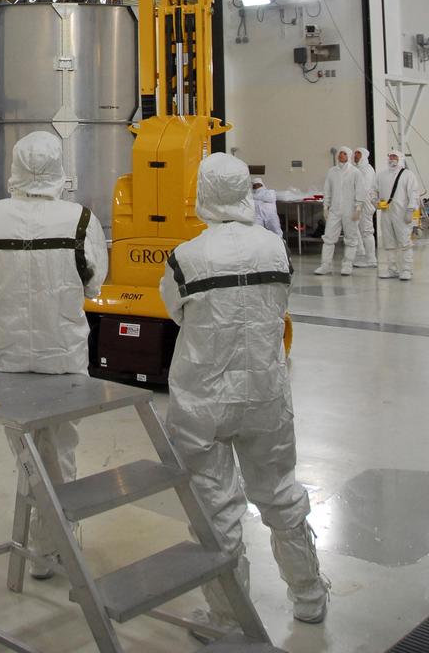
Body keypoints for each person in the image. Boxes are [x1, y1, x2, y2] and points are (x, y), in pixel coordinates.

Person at [161, 153, 329, 636]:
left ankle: (227, 617)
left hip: (203, 398)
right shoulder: (276, 250)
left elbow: (175, 311)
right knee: (280, 492)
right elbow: (281, 304)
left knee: (216, 507)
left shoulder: (185, 257)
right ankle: (310, 596)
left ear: (203, 192)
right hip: (265, 393)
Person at [0, 131, 108, 578]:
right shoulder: (81, 220)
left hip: (7, 356)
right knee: (61, 447)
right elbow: (93, 284)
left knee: (27, 452)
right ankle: (56, 542)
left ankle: (46, 545)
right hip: (63, 355)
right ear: (58, 166)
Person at [315, 145, 365, 276]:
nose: (340, 156)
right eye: (339, 154)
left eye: (343, 154)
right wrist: (326, 207)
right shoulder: (332, 171)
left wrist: (358, 208)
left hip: (350, 210)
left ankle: (347, 264)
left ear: (348, 156)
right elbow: (327, 190)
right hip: (335, 210)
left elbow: (360, 191)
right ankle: (325, 265)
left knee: (351, 238)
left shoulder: (355, 172)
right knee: (329, 238)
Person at [377, 150, 421, 280]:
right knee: (389, 242)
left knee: (404, 241)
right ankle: (392, 269)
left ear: (400, 158)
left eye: (394, 156)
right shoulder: (381, 175)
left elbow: (414, 193)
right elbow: (374, 190)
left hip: (401, 213)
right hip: (386, 213)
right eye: (390, 156)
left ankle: (407, 269)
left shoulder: (407, 175)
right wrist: (376, 201)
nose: (392, 159)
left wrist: (411, 209)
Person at [351, 147, 377, 268]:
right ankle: (361, 253)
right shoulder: (355, 169)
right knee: (354, 229)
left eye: (358, 154)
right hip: (355, 203)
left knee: (366, 231)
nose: (356, 155)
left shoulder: (367, 169)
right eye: (355, 153)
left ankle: (371, 259)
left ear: (364, 156)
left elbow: (364, 188)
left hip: (364, 204)